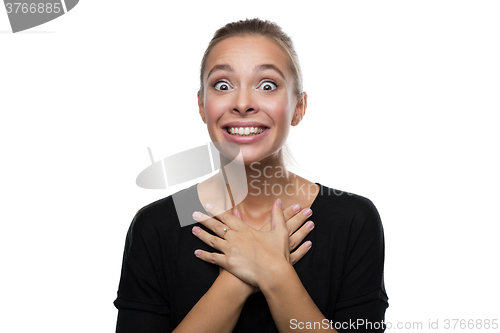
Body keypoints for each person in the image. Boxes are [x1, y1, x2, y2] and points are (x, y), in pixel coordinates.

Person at [114, 18, 388, 332]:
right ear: (203, 106)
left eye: (267, 85)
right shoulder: (157, 225)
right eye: (223, 85)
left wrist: (274, 271)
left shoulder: (352, 219)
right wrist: (237, 279)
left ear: (298, 107)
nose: (243, 103)